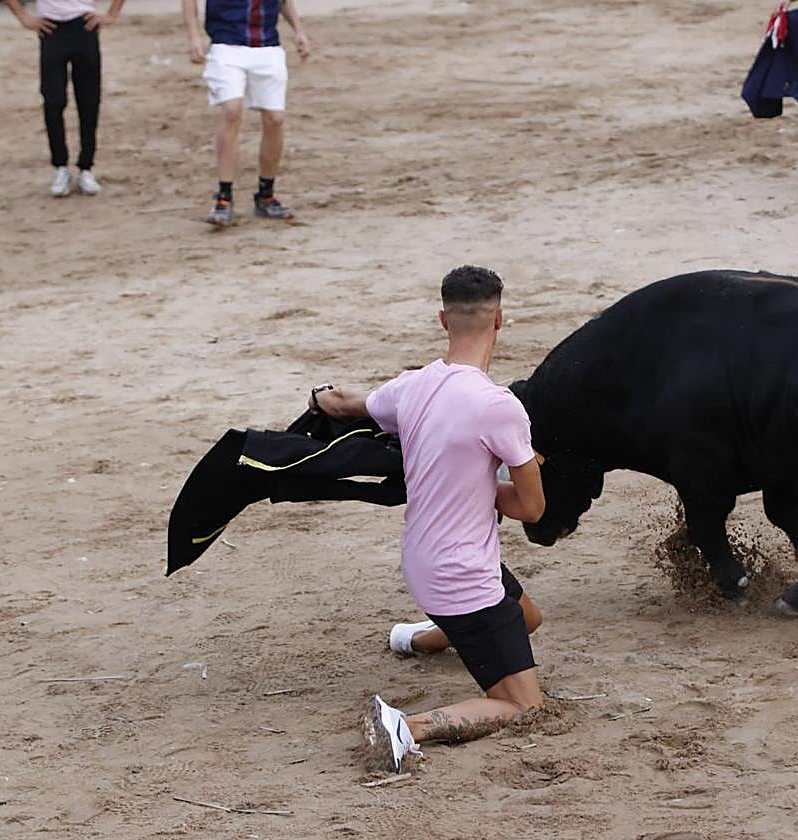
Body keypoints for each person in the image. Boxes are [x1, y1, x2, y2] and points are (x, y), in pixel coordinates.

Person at [310, 265, 547, 773]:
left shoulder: (410, 387)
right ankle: (405, 727)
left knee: (528, 618)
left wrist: (320, 395)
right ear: (500, 319)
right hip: (462, 576)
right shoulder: (499, 407)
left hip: (423, 561)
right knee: (523, 705)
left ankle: (415, 639)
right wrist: (498, 480)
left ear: (443, 320)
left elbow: (347, 404)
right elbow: (531, 510)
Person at [181, 0, 310, 226]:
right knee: (232, 111)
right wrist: (194, 36)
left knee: (275, 119)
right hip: (226, 44)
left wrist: (298, 29)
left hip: (267, 45)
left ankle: (266, 195)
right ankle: (224, 197)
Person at [3, 0, 124, 197]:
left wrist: (112, 14)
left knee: (88, 99)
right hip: (51, 27)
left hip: (84, 24)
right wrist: (23, 16)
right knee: (53, 100)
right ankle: (60, 166)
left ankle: (86, 166)